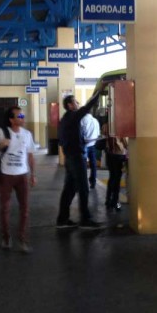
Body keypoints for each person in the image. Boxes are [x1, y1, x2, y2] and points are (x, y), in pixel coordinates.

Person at [0, 107, 36, 253]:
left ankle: (23, 239)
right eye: (19, 115)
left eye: (22, 115)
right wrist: (0, 146)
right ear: (11, 119)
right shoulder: (1, 132)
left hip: (22, 176)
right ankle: (6, 237)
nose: (23, 117)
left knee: (25, 209)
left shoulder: (27, 134)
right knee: (5, 208)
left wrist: (33, 175)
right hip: (5, 175)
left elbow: (30, 156)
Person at [56, 92, 102, 229]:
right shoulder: (73, 116)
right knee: (83, 187)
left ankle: (62, 219)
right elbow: (87, 107)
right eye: (75, 102)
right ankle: (85, 220)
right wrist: (99, 92)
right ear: (70, 105)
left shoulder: (64, 119)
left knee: (69, 188)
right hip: (76, 157)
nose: (78, 104)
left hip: (69, 157)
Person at [102, 123, 128, 212]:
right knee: (117, 180)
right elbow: (125, 143)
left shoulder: (106, 126)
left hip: (109, 155)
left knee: (112, 177)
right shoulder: (119, 127)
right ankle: (115, 202)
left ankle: (108, 199)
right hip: (118, 156)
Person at [80, 113, 100, 189]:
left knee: (83, 165)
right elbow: (98, 134)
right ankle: (93, 182)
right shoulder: (96, 121)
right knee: (93, 164)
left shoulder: (82, 120)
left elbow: (80, 133)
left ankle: (83, 183)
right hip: (93, 144)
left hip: (84, 144)